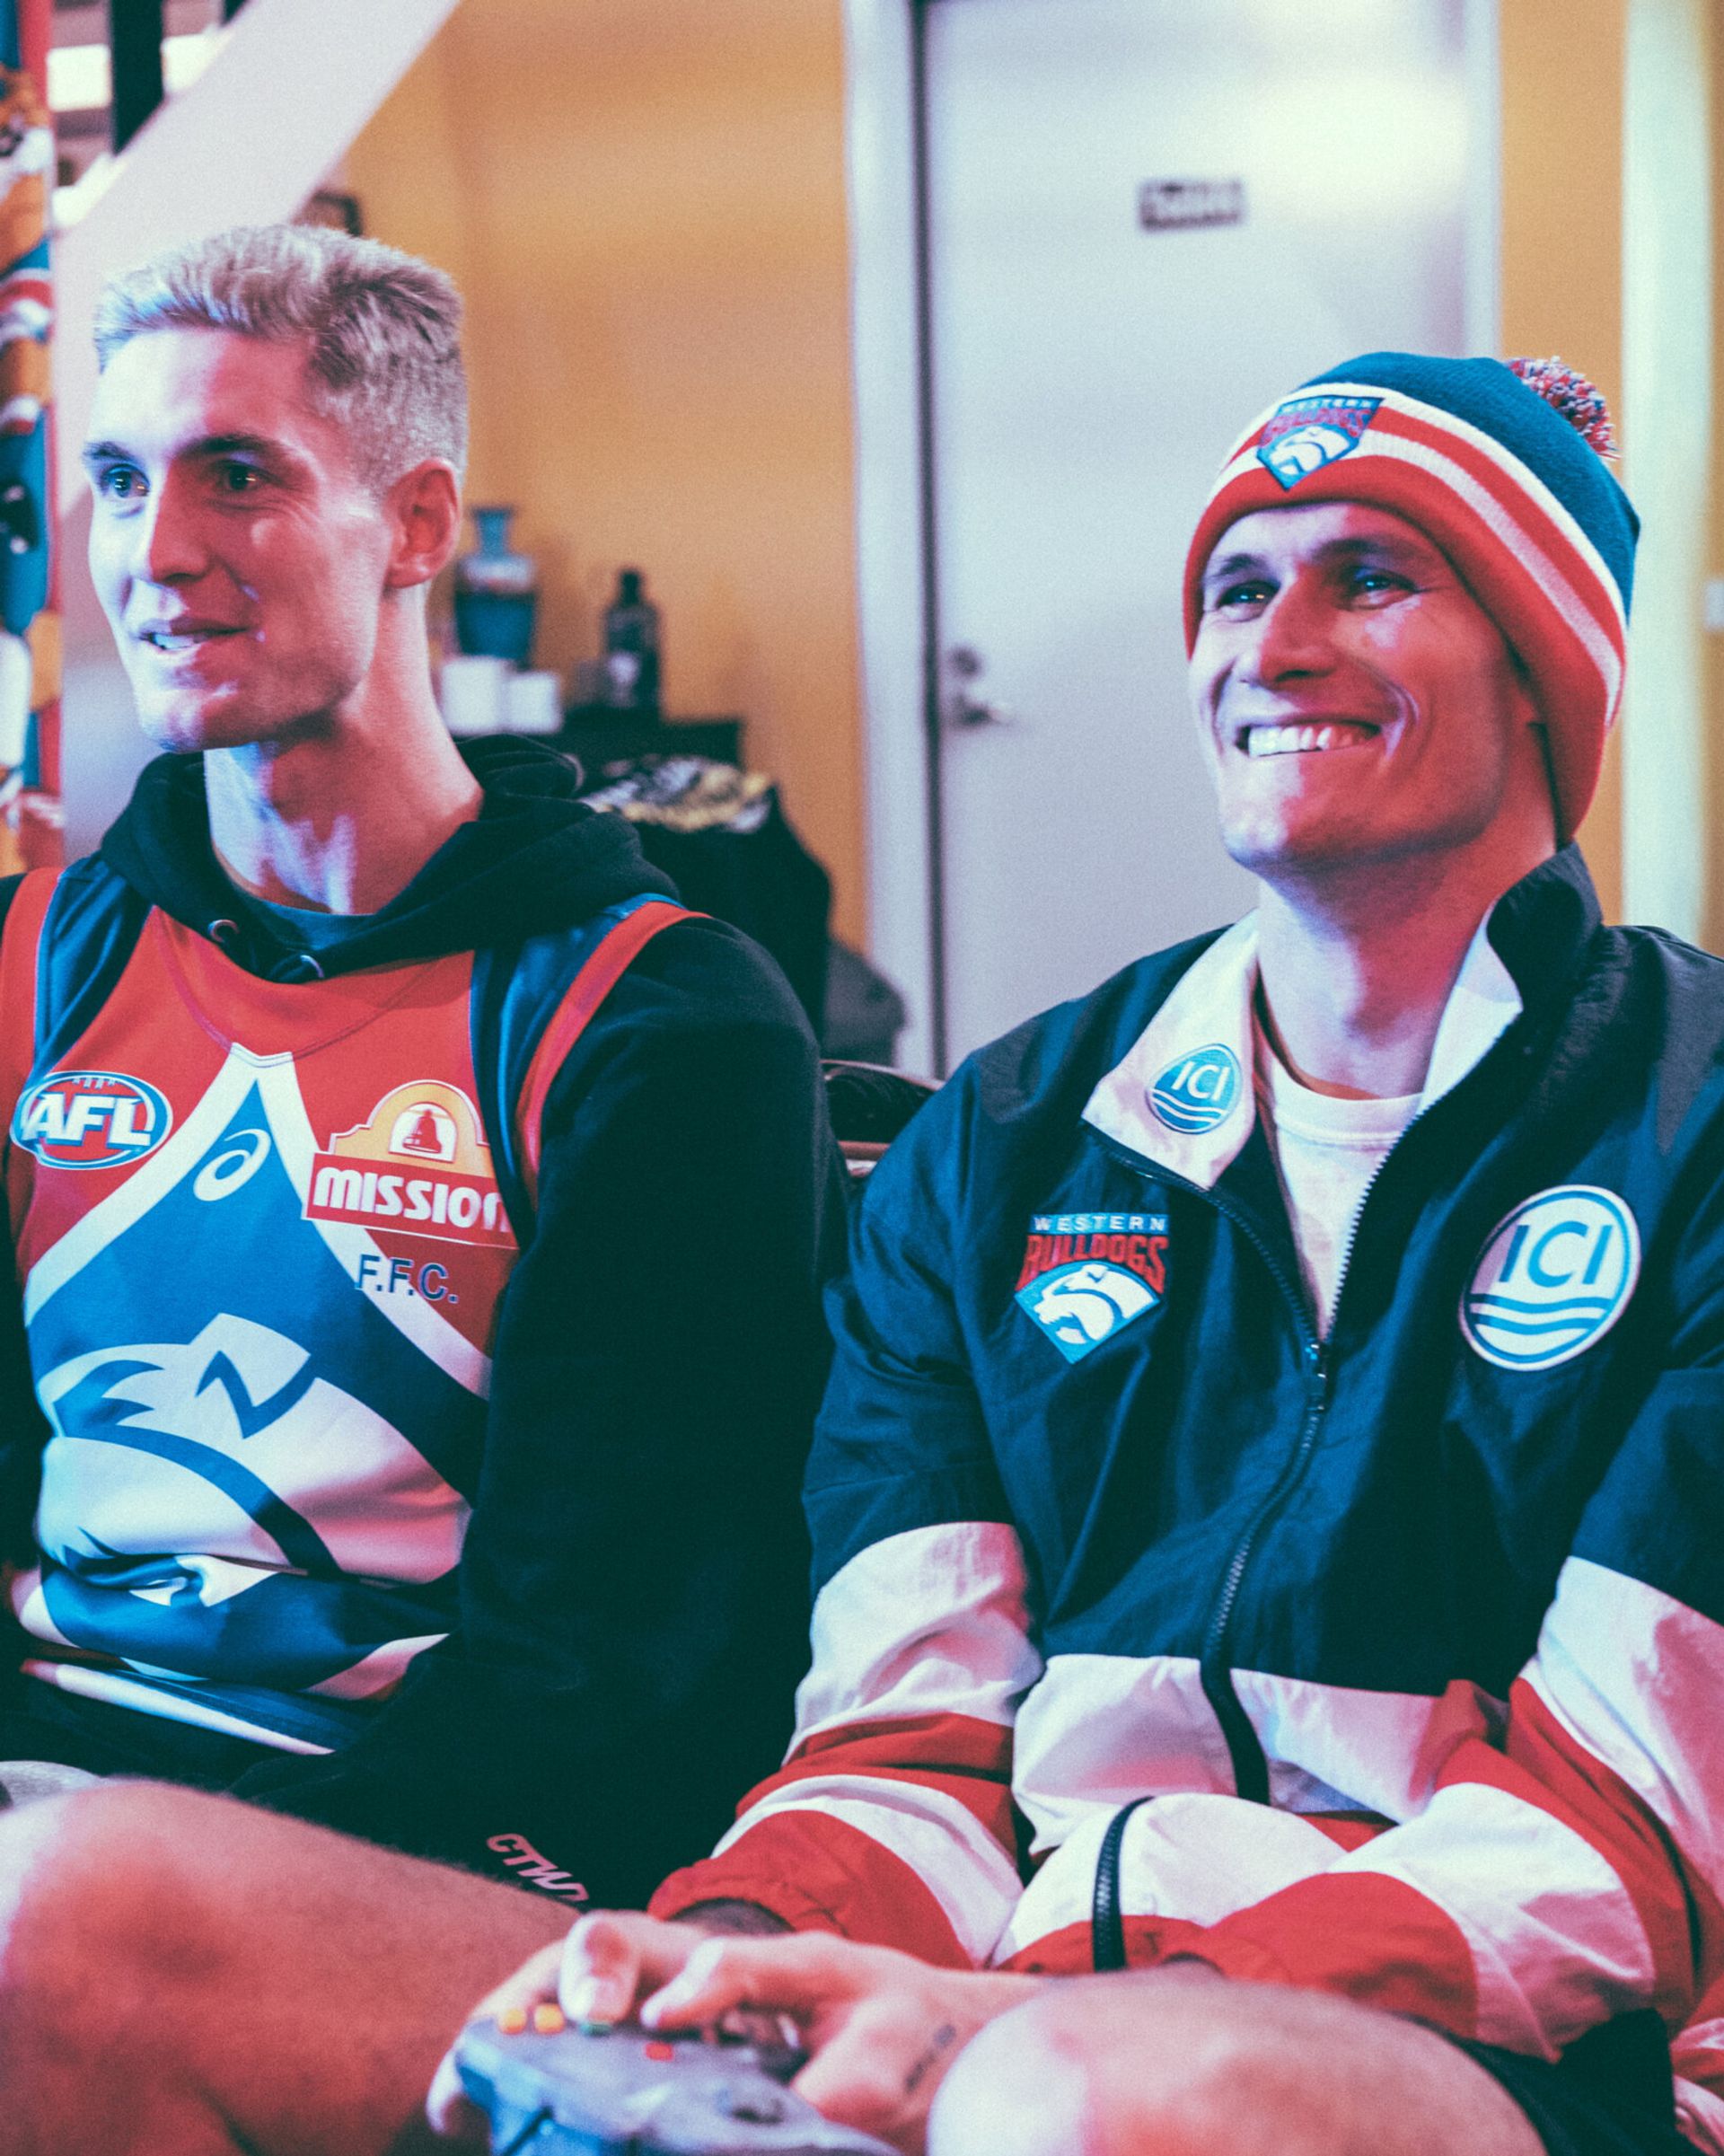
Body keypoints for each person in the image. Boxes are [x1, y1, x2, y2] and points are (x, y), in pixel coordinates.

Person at [0, 353, 1704, 2156]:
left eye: (1370, 578)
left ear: (1544, 667)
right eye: (1234, 587)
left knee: (1080, 2104)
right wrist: (749, 1946)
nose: (1272, 645)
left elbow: (1614, 1856)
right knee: (71, 1912)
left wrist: (1008, 2021)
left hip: (1499, 2065)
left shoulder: (1691, 1129)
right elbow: (906, 1736)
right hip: (980, 2015)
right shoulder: (1011, 1135)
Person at [0, 222, 840, 1905]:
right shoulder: (32, 963)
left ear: (419, 525)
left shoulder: (659, 1023)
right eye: (119, 478)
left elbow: (609, 1675)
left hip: (430, 1839)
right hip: (49, 1783)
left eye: (239, 476)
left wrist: (134, 1869)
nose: (156, 551)